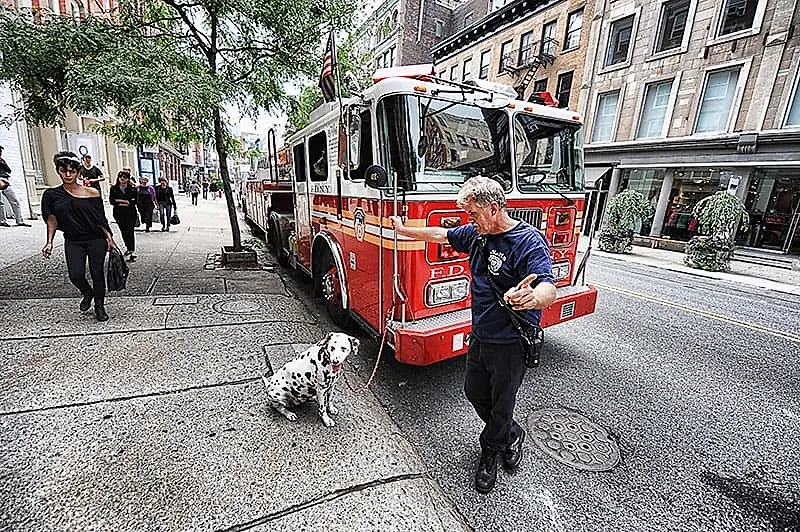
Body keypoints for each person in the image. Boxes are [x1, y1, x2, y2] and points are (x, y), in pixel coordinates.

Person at [390, 176, 557, 494]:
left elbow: (547, 285)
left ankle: (490, 452)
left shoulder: (527, 241)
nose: (469, 221)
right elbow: (440, 234)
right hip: (480, 336)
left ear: (493, 209)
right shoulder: (478, 235)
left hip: (511, 341)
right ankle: (511, 434)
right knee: (473, 392)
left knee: (502, 401)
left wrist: (533, 298)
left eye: (473, 214)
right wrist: (403, 230)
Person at [41, 151, 118, 322]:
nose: (68, 174)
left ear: (78, 172)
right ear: (58, 171)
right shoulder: (51, 195)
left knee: (97, 273)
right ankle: (87, 292)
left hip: (95, 239)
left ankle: (99, 305)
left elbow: (100, 218)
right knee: (75, 275)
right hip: (73, 240)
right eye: (63, 170)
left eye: (72, 171)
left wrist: (109, 238)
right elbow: (51, 218)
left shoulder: (92, 193)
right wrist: (49, 242)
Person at [109, 170, 138, 261]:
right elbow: (112, 201)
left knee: (130, 230)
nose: (122, 179)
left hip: (130, 213)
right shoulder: (114, 188)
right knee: (123, 231)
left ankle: (131, 249)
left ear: (128, 179)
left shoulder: (132, 188)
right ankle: (128, 247)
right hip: (119, 213)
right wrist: (124, 201)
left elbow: (133, 201)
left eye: (124, 177)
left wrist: (120, 201)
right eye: (120, 177)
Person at [0, 145, 31, 227]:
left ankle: (19, 221)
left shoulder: (2, 160)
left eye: (1, 151)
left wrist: (3, 164)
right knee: (0, 203)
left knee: (15, 200)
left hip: (5, 181)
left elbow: (9, 171)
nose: (0, 153)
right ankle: (2, 221)